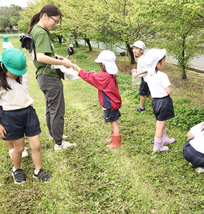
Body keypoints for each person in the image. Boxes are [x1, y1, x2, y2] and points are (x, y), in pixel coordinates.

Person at [28, 4, 76, 151]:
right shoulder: (41, 32)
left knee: (51, 108)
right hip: (49, 76)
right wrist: (63, 63)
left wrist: (58, 57)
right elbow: (41, 57)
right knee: (57, 110)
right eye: (55, 20)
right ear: (45, 16)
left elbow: (46, 54)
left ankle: (53, 135)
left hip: (43, 76)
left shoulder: (37, 30)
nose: (55, 24)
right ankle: (59, 143)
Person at [0, 47, 51, 184]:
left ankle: (38, 170)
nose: (17, 75)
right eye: (14, 72)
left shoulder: (22, 75)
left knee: (36, 145)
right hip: (10, 116)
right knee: (20, 148)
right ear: (3, 67)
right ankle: (17, 169)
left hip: (28, 112)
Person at [73, 50, 122, 149]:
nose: (99, 66)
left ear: (103, 64)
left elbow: (89, 77)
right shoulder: (110, 74)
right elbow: (102, 79)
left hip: (110, 104)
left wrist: (77, 68)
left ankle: (116, 142)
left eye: (100, 64)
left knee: (114, 123)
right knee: (113, 122)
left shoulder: (104, 76)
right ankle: (113, 138)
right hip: (113, 102)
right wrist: (96, 75)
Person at [144, 49, 175, 152]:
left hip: (155, 102)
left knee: (161, 121)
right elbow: (168, 91)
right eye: (163, 61)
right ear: (158, 63)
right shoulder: (162, 76)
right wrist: (169, 87)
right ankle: (157, 147)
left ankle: (164, 138)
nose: (164, 63)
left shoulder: (149, 75)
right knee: (159, 126)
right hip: (164, 102)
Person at [131, 41, 152, 111]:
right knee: (146, 93)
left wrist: (138, 74)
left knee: (141, 93)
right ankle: (157, 101)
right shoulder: (141, 57)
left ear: (142, 50)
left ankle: (142, 107)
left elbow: (146, 70)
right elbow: (142, 69)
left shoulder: (142, 58)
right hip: (145, 78)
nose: (134, 50)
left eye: (137, 49)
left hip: (146, 79)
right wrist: (136, 70)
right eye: (134, 48)